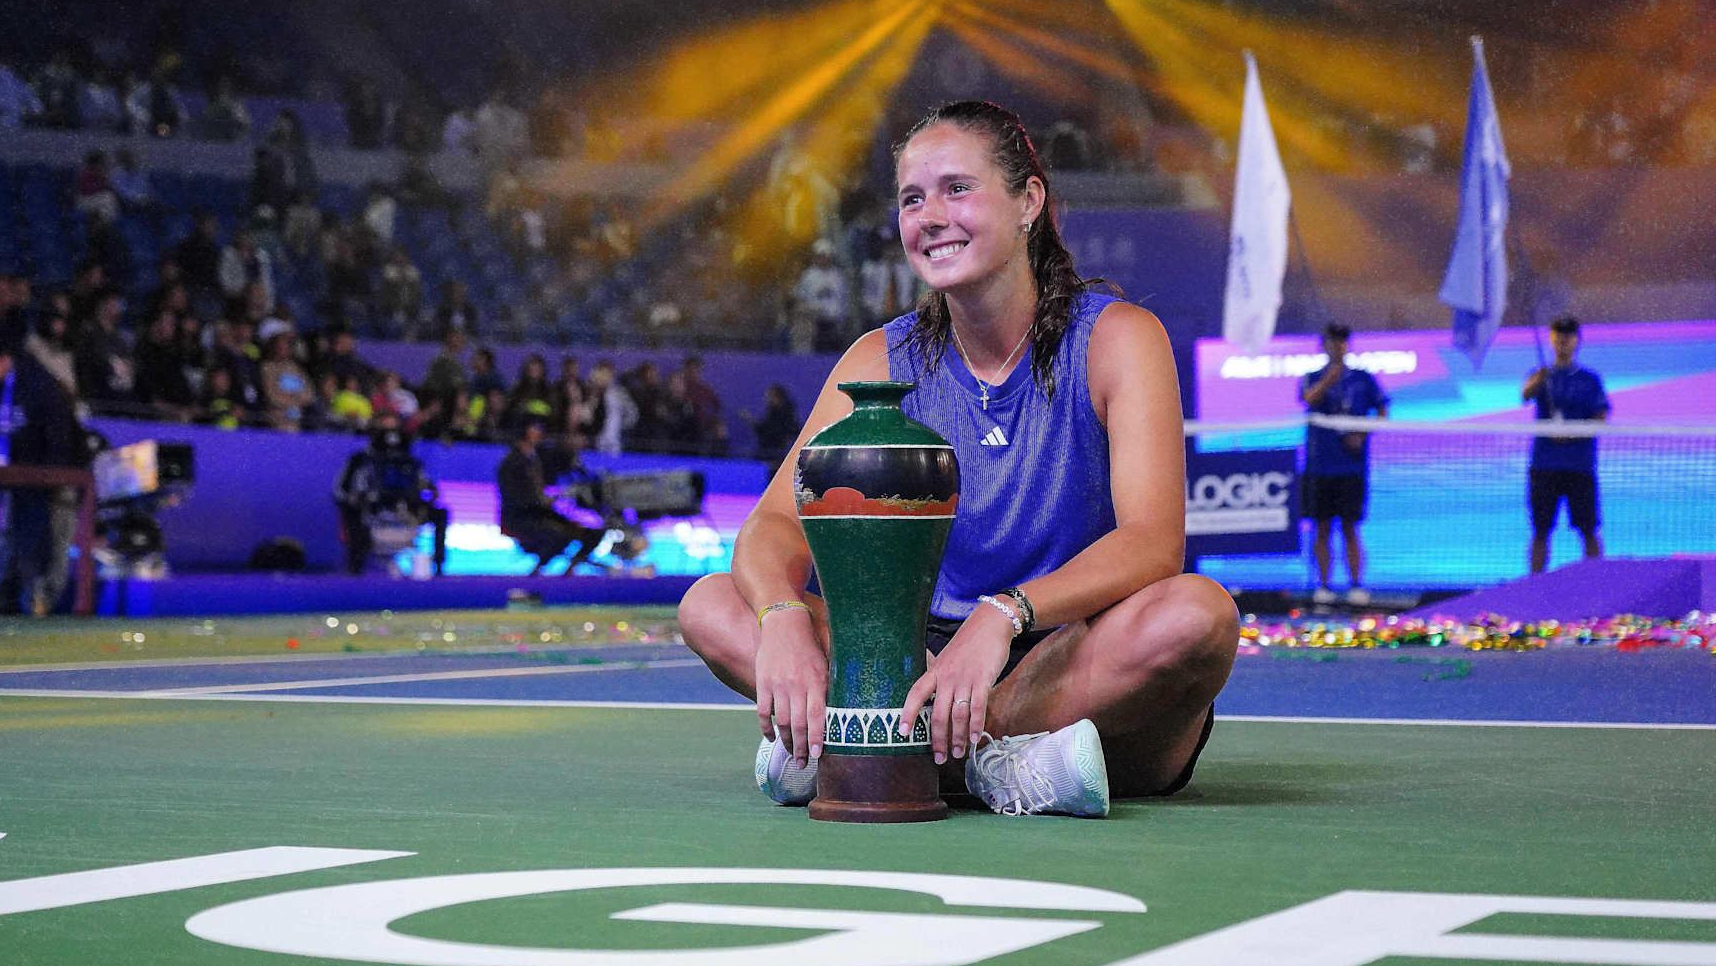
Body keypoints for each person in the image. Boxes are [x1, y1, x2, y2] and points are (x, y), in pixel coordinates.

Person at [678, 100, 1237, 816]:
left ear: (1028, 200)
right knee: (712, 604)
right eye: (913, 199)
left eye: (957, 189)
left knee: (1197, 615)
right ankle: (1000, 767)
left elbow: (1153, 544)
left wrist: (1003, 616)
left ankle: (876, 751)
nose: (930, 216)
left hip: (1058, 644)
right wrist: (783, 615)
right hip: (917, 657)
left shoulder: (1120, 340)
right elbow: (773, 527)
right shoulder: (882, 356)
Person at [0, 326, 80, 615]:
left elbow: (60, 434)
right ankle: (6, 596)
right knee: (10, 535)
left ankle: (43, 599)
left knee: (53, 537)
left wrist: (53, 478)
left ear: (5, 359)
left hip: (59, 473)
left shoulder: (39, 384)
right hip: (16, 475)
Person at [1299, 322, 1389, 606]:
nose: (1337, 345)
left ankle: (1356, 586)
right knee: (1321, 527)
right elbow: (1307, 399)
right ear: (1323, 345)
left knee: (1351, 528)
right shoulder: (1313, 377)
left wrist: (1362, 434)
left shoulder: (1363, 379)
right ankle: (1323, 587)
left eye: (1342, 341)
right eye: (1332, 341)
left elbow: (1383, 409)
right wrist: (1328, 381)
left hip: (1351, 468)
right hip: (1319, 467)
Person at [1523, 315, 1609, 573]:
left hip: (1578, 467)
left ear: (1577, 341)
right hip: (1544, 466)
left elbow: (1600, 418)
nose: (1563, 342)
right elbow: (1525, 394)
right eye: (1558, 337)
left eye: (1568, 338)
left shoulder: (1589, 380)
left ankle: (1596, 582)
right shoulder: (1541, 376)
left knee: (1588, 529)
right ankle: (1534, 584)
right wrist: (1537, 380)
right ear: (1552, 340)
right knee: (1540, 530)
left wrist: (1571, 434)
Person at [333, 410, 447, 576]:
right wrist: (360, 499)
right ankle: (354, 570)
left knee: (440, 513)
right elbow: (340, 491)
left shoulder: (410, 462)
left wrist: (422, 497)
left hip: (406, 513)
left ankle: (438, 567)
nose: (390, 435)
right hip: (372, 512)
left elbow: (428, 487)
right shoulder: (360, 460)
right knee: (354, 514)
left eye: (394, 429)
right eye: (384, 429)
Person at [497, 418, 605, 575]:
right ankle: (536, 572)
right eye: (536, 428)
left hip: (542, 513)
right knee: (558, 535)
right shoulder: (511, 463)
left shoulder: (538, 458)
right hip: (521, 518)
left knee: (592, 532)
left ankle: (570, 570)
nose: (540, 433)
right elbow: (515, 498)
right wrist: (541, 501)